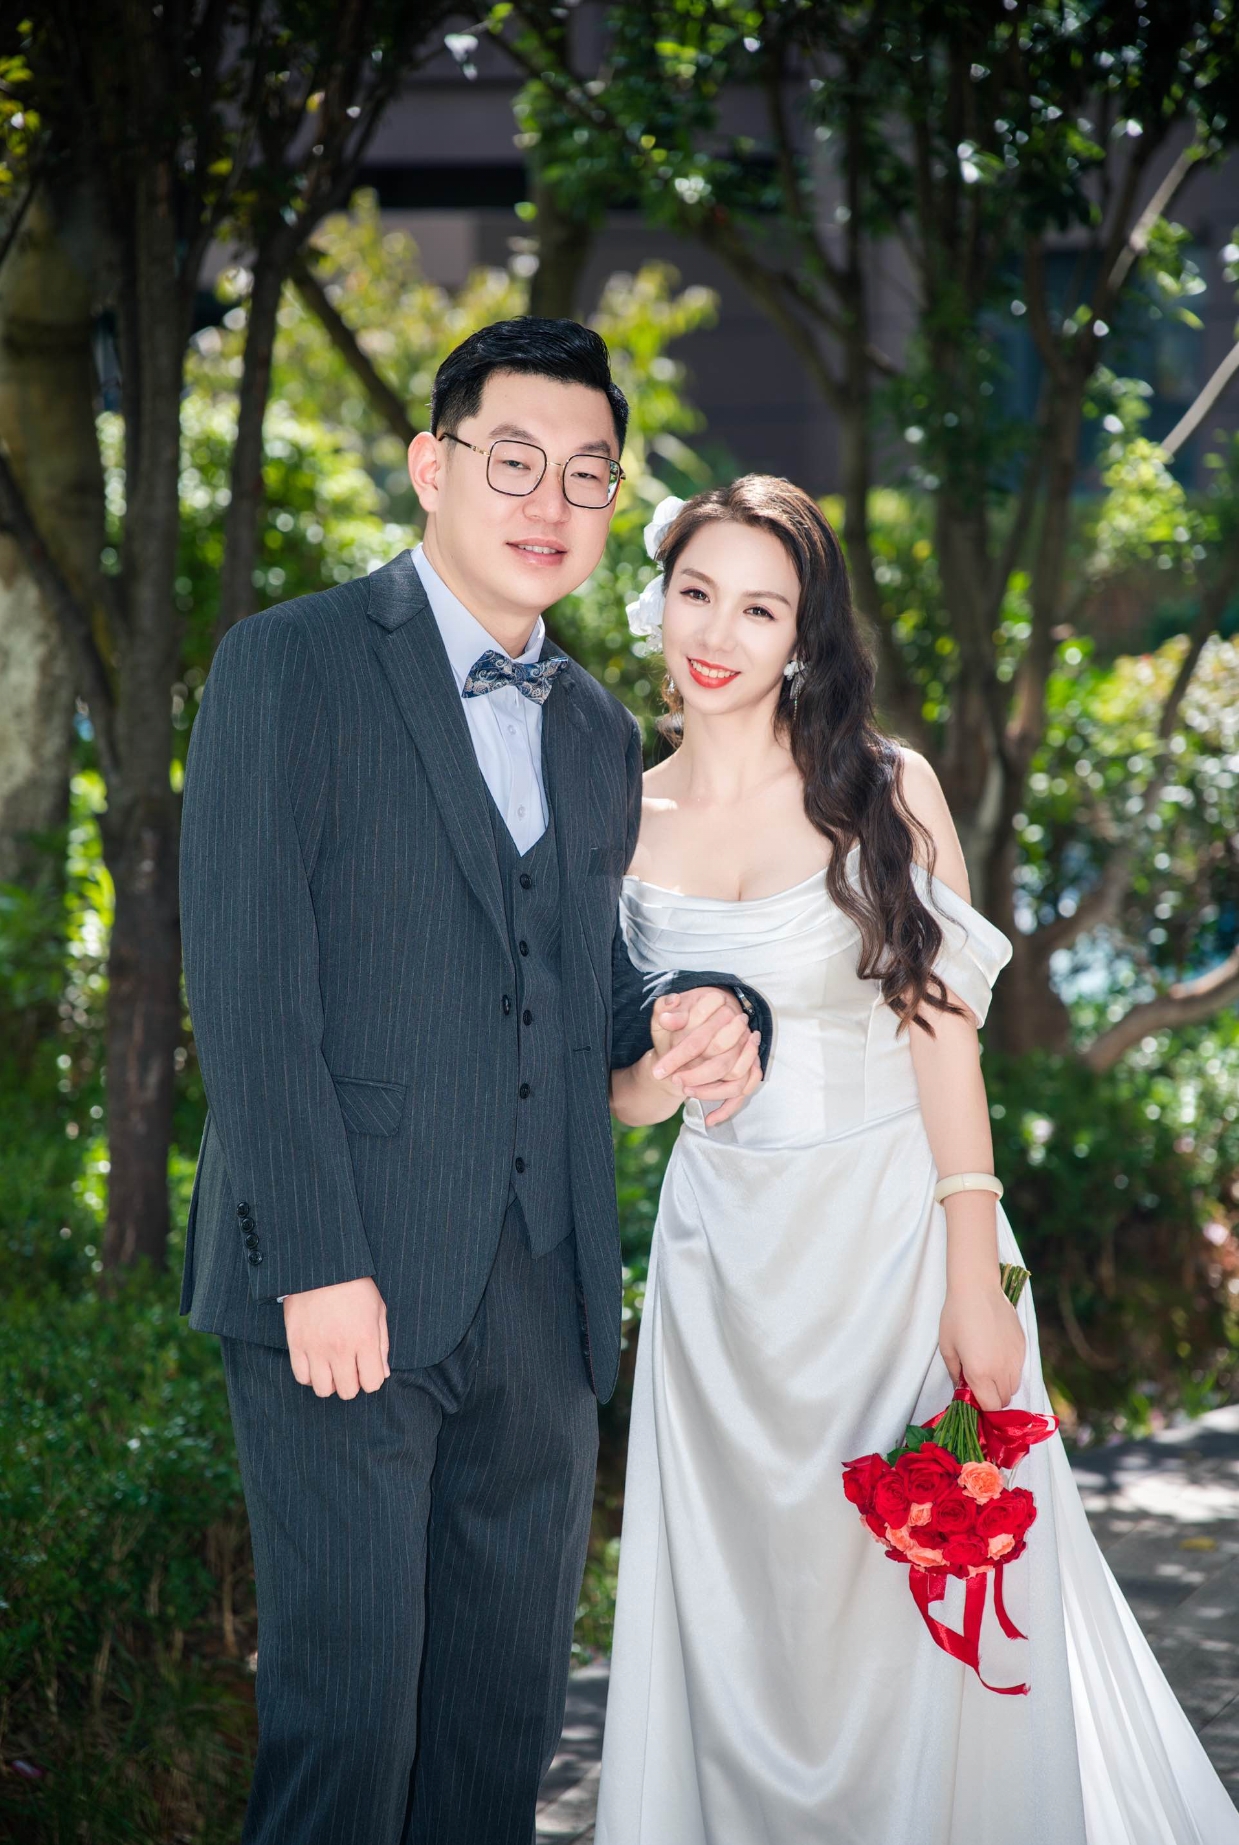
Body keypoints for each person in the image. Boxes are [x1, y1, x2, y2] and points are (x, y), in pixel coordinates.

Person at [177, 318, 771, 1845]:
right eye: (514, 459)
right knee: (348, 1729)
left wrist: (698, 1014)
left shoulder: (597, 730)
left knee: (499, 1739)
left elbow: (586, 979)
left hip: (542, 1301)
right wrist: (317, 1262)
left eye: (588, 473)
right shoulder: (290, 664)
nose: (549, 501)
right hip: (343, 1286)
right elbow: (247, 985)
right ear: (432, 466)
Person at [595, 476, 1239, 1845]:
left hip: (896, 1243)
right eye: (698, 593)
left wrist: (976, 1277)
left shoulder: (883, 790)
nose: (717, 633)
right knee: (745, 1617)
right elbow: (618, 1097)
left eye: (760, 608)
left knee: (914, 1616)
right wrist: (660, 1073)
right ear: (658, 600)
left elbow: (945, 1041)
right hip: (721, 1272)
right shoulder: (617, 815)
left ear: (805, 635)